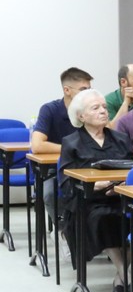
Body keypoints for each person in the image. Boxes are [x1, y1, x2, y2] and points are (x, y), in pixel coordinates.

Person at [59, 89, 133, 292]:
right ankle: (126, 274)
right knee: (103, 218)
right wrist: (96, 186)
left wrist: (120, 185)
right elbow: (66, 183)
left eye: (104, 107)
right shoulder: (71, 142)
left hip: (120, 197)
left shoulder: (120, 139)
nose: (103, 111)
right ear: (81, 116)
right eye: (95, 108)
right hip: (88, 202)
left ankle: (122, 276)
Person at [31, 67, 93, 222]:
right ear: (67, 90)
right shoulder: (50, 110)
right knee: (50, 194)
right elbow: (37, 146)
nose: (88, 94)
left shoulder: (91, 111)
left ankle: (87, 229)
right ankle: (63, 228)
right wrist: (72, 150)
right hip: (54, 169)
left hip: (85, 166)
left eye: (90, 90)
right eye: (83, 90)